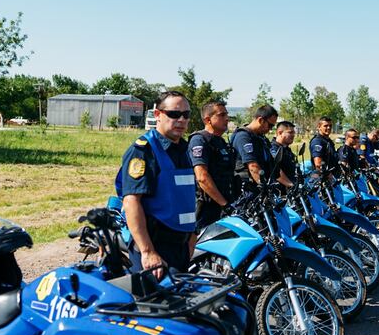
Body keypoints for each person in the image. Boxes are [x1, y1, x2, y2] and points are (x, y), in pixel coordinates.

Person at [115, 90, 196, 276]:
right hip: (155, 246)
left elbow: (187, 198)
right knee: (154, 296)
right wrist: (148, 251)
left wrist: (192, 237)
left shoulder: (184, 150)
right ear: (158, 115)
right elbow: (131, 201)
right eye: (174, 114)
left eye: (186, 115)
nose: (181, 120)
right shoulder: (143, 151)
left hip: (181, 246)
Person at [188, 100, 236, 229]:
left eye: (227, 114)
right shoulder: (200, 140)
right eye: (221, 115)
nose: (227, 118)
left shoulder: (220, 141)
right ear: (208, 120)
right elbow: (202, 177)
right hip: (207, 208)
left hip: (224, 204)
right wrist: (224, 204)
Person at [231, 105, 278, 185]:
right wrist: (264, 186)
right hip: (249, 187)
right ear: (260, 120)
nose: (270, 129)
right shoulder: (243, 137)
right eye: (270, 125)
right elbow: (253, 167)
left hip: (261, 184)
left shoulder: (261, 138)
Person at [269, 121, 298, 191]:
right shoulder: (273, 148)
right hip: (280, 191)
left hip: (292, 188)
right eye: (290, 132)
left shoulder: (286, 148)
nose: (293, 135)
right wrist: (290, 185)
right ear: (280, 133)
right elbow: (275, 170)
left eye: (293, 133)